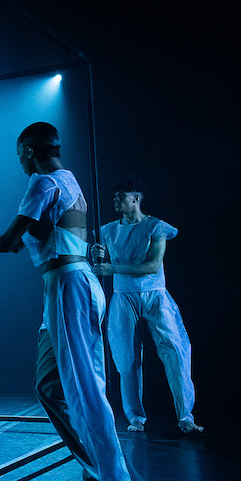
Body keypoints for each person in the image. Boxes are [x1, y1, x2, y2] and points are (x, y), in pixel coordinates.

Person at [0, 122, 138, 481]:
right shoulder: (68, 183)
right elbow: (21, 241)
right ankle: (95, 473)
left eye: (19, 155)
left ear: (30, 151)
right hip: (66, 288)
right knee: (49, 386)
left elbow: (5, 244)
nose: (19, 163)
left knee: (85, 393)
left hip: (70, 288)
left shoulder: (41, 183)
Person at [92, 179, 202, 434]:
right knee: (126, 359)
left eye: (121, 195)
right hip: (123, 297)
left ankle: (186, 416)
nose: (115, 200)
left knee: (175, 351)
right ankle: (135, 417)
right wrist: (97, 255)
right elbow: (100, 263)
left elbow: (153, 265)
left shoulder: (156, 227)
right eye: (115, 195)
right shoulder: (107, 230)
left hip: (155, 296)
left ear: (136, 198)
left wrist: (113, 268)